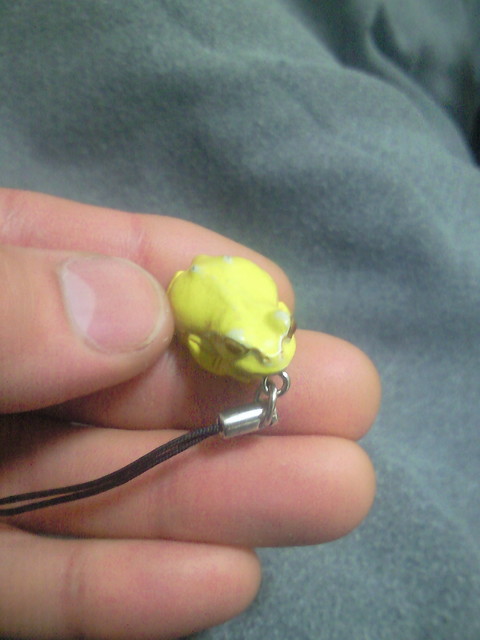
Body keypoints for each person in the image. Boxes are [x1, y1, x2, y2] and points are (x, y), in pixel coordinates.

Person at [0, 189, 380, 639]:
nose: (275, 355)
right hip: (205, 293)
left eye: (288, 332)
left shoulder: (273, 322)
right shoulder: (210, 334)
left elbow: (273, 313)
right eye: (242, 350)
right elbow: (199, 346)